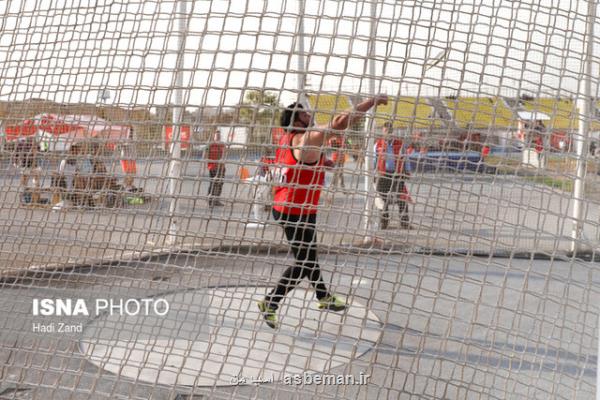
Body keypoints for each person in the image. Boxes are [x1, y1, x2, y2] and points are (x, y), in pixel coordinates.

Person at [258, 94, 388, 329]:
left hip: (298, 207)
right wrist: (372, 102)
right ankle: (271, 302)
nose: (310, 115)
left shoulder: (289, 139)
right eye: (305, 114)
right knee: (304, 263)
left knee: (310, 257)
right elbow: (339, 123)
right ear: (297, 122)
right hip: (292, 210)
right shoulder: (305, 138)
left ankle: (323, 297)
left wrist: (322, 163)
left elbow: (296, 164)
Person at [374, 121, 411, 230]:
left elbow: (406, 158)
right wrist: (374, 173)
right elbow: (374, 159)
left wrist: (407, 171)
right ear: (383, 131)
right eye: (385, 131)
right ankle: (384, 222)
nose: (387, 133)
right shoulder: (378, 144)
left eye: (389, 131)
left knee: (402, 199)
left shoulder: (400, 144)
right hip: (383, 174)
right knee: (381, 199)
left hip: (397, 174)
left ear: (392, 131)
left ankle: (404, 223)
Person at [206, 130, 226, 207]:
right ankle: (210, 200)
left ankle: (217, 200)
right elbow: (205, 154)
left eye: (219, 135)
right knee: (213, 183)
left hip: (221, 167)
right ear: (214, 136)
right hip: (213, 167)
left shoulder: (222, 145)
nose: (218, 137)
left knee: (220, 183)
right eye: (216, 135)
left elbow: (225, 154)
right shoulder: (210, 145)